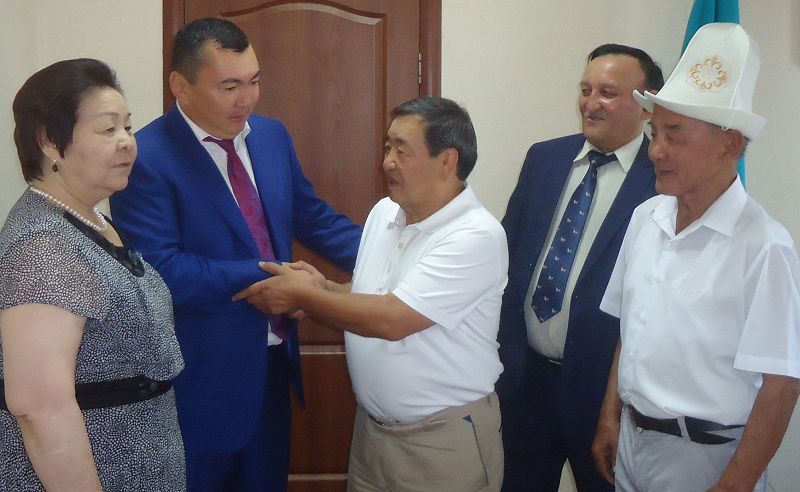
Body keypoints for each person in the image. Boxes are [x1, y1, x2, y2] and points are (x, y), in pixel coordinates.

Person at [109, 17, 361, 491]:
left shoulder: (271, 137)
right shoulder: (147, 156)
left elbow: (315, 219)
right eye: (229, 86)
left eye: (254, 81)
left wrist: (396, 258)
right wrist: (273, 277)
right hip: (199, 379)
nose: (247, 99)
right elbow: (159, 270)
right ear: (180, 86)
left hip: (272, 367)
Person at [234, 97, 507, 491]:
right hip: (371, 434)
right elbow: (373, 294)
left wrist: (305, 297)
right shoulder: (385, 212)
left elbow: (392, 319)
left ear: (447, 161)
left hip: (442, 441)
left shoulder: (475, 235)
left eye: (401, 150)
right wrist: (324, 288)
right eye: (387, 147)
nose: (387, 162)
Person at [592, 23, 800, 492]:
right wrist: (610, 416)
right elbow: (630, 332)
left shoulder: (764, 246)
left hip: (705, 458)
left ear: (730, 145)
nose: (656, 151)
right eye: (654, 133)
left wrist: (733, 485)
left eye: (675, 136)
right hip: (631, 443)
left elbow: (782, 385)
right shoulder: (645, 218)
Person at [0, 59, 185, 491]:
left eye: (128, 127)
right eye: (107, 129)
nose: (127, 142)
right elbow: (38, 407)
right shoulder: (43, 246)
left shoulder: (90, 220)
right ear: (49, 141)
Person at [497, 44, 663, 491]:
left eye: (608, 92)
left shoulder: (661, 180)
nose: (591, 103)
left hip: (603, 398)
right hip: (525, 383)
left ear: (647, 105)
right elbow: (505, 256)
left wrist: (618, 406)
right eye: (586, 90)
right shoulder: (544, 159)